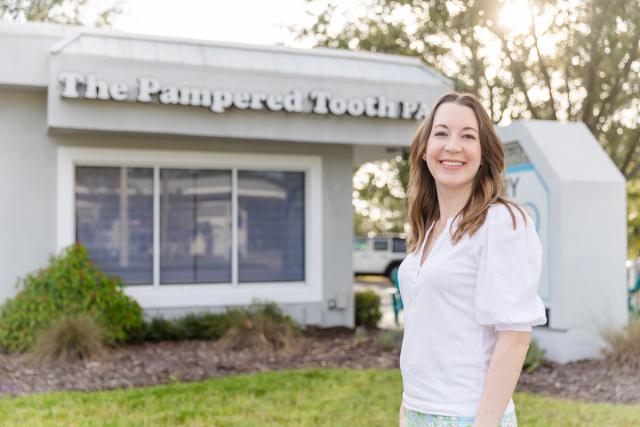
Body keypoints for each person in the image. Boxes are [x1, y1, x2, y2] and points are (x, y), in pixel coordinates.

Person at [397, 92, 547, 427]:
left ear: (484, 155)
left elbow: (515, 336)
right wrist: (407, 408)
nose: (452, 146)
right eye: (441, 133)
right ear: (423, 150)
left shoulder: (502, 222)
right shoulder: (428, 227)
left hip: (468, 416)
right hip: (418, 409)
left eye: (468, 136)